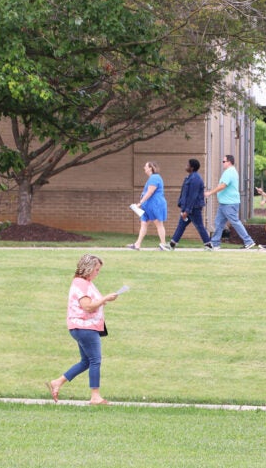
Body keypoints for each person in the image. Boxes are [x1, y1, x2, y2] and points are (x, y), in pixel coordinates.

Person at [46, 254, 121, 405]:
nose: (97, 273)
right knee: (95, 360)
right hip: (85, 327)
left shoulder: (85, 283)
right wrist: (105, 299)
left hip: (82, 327)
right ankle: (95, 396)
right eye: (97, 269)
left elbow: (91, 303)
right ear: (88, 268)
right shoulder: (81, 283)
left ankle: (57, 382)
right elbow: (87, 306)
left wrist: (101, 301)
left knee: (86, 361)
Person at [206, 154, 257, 250]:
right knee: (219, 223)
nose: (223, 163)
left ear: (229, 162)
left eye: (224, 161)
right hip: (224, 203)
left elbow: (223, 186)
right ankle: (215, 243)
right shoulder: (231, 171)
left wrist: (210, 193)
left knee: (235, 222)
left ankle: (248, 241)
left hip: (229, 203)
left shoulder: (229, 172)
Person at [169, 159, 211, 250]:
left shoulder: (195, 179)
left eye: (187, 165)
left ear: (192, 167)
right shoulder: (190, 177)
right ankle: (172, 244)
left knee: (199, 226)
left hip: (193, 208)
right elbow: (184, 193)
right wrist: (182, 205)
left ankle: (208, 245)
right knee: (181, 225)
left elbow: (193, 196)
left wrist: (187, 211)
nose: (186, 166)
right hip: (187, 208)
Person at [127, 161, 170, 251]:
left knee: (158, 224)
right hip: (148, 205)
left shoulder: (155, 178)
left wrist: (140, 203)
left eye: (146, 166)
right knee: (144, 223)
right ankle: (137, 244)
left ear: (151, 168)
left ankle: (163, 244)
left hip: (155, 205)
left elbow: (150, 192)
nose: (144, 168)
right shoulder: (152, 178)